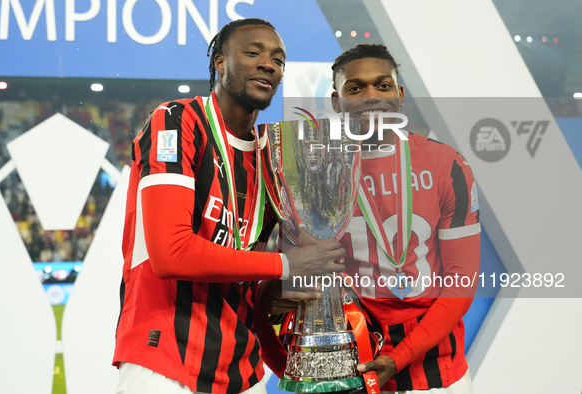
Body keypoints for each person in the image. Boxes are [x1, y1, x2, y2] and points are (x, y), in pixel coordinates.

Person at [113, 18, 345, 394]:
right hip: (164, 358)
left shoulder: (272, 158)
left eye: (278, 60)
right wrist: (286, 264)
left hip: (243, 369)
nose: (268, 64)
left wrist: (280, 289)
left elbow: (250, 271)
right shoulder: (175, 121)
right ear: (220, 62)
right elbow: (171, 254)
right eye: (252, 52)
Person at [331, 44, 481, 393]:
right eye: (355, 88)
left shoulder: (447, 164)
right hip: (349, 363)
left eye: (382, 86)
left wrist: (399, 357)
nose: (371, 96)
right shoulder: (319, 169)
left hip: (436, 370)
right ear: (337, 101)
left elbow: (461, 280)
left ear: (399, 95)